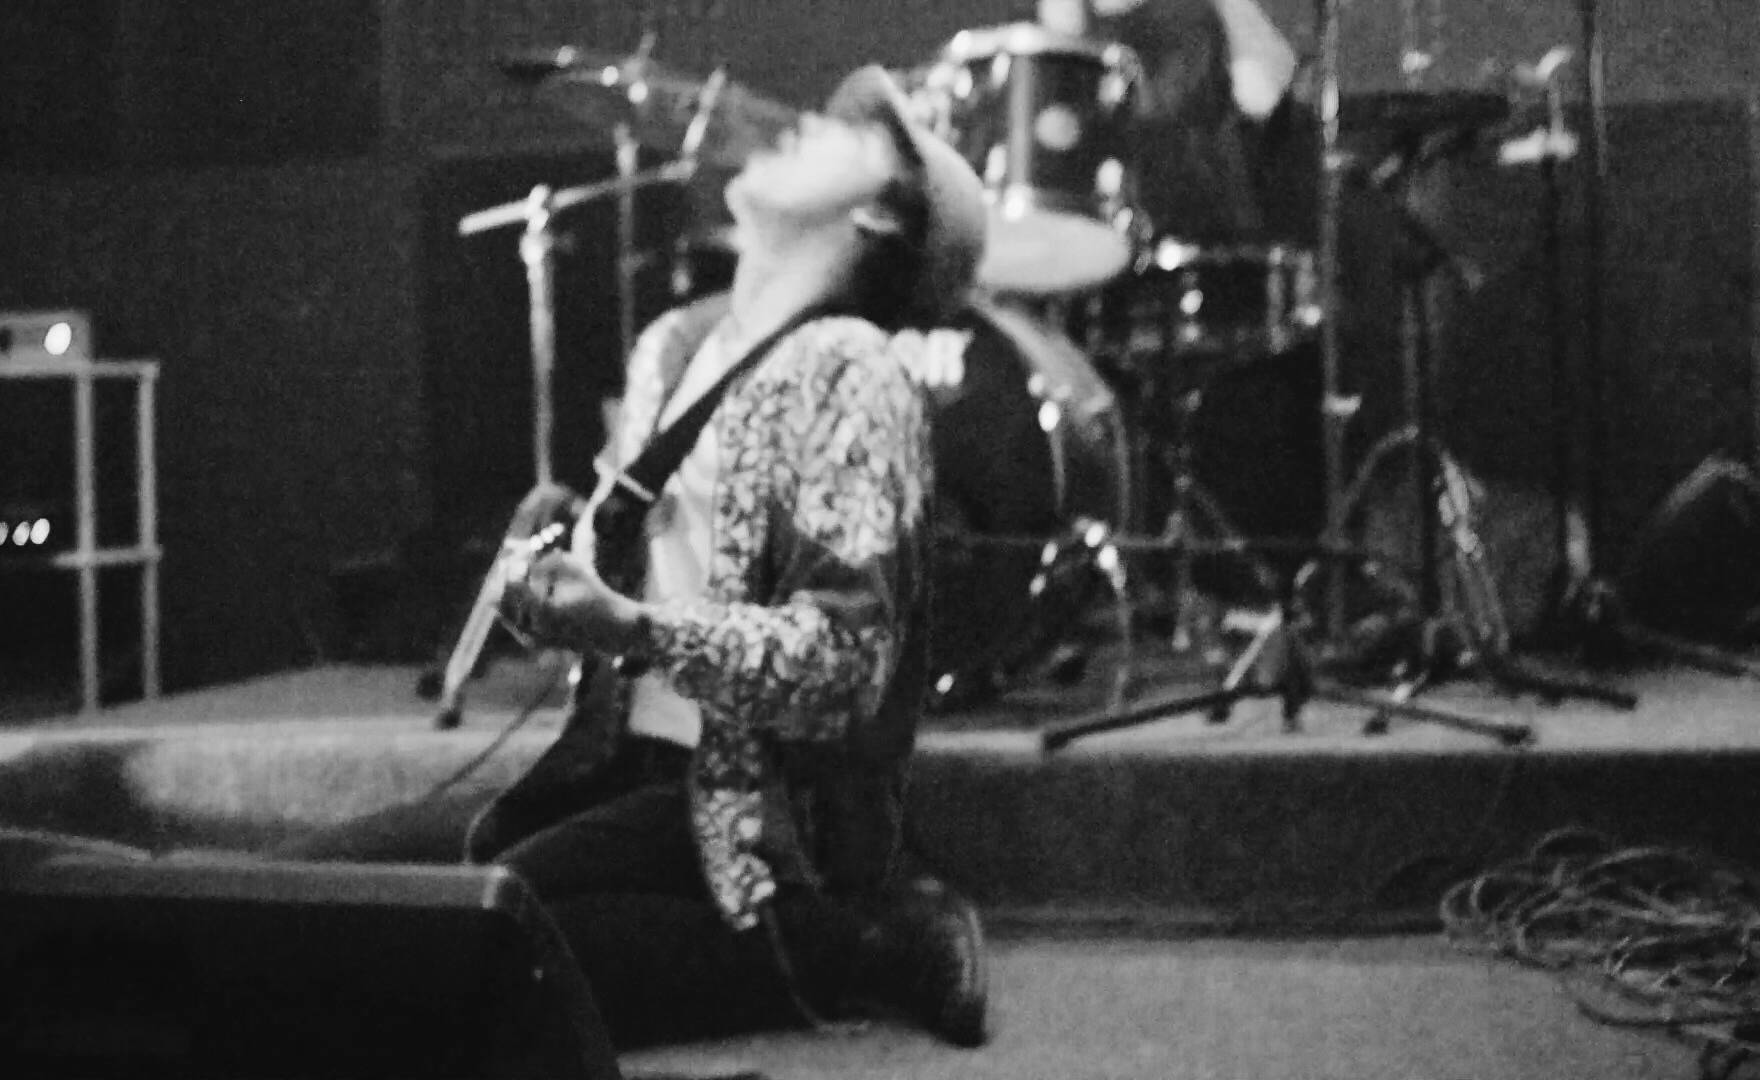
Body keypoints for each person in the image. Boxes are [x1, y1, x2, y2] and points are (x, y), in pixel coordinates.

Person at [475, 65, 992, 1050]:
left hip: (749, 817)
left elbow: (843, 665)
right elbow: (648, 577)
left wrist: (634, 627)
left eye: (850, 134)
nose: (801, 126)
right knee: (367, 891)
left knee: (457, 945)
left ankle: (847, 946)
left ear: (881, 213)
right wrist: (559, 580)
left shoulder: (853, 372)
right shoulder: (678, 344)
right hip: (620, 772)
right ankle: (850, 945)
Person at [1036, 0, 1301, 240]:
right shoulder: (1054, 24)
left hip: (1201, 235)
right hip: (1086, 236)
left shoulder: (1197, 15)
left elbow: (1261, 95)